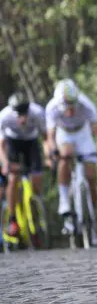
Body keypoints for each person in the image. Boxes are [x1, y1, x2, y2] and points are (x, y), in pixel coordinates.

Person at [45, 79, 97, 246]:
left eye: (73, 105)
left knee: (90, 176)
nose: (71, 110)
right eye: (67, 106)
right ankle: (64, 201)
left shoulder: (86, 105)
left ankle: (91, 221)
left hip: (82, 134)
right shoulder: (52, 108)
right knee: (65, 156)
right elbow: (50, 137)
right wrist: (53, 151)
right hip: (64, 134)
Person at [0, 92, 47, 239]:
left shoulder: (38, 112)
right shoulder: (4, 116)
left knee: (37, 176)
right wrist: (5, 163)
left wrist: (48, 156)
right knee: (13, 178)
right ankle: (13, 219)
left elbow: (45, 137)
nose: (22, 117)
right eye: (19, 114)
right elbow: (1, 145)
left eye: (24, 113)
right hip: (12, 143)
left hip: (31, 142)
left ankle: (37, 208)